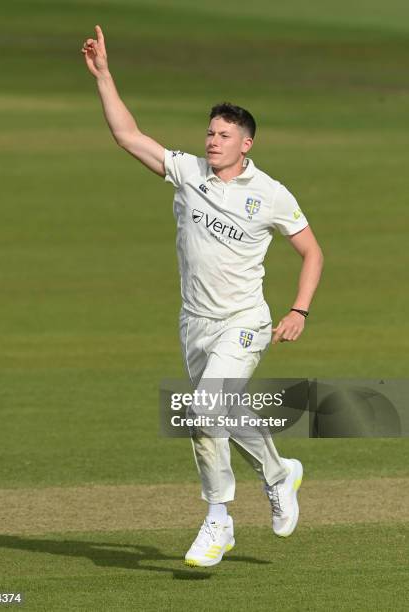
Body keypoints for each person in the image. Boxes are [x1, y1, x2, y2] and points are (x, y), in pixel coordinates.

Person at [81, 25, 324, 568]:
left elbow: (313, 253)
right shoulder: (188, 172)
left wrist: (298, 310)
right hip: (196, 324)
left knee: (203, 411)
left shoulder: (271, 195)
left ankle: (219, 520)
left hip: (244, 320)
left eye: (223, 134)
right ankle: (281, 471)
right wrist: (104, 76)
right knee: (222, 413)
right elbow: (128, 136)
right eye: (209, 132)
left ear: (247, 143)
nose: (212, 140)